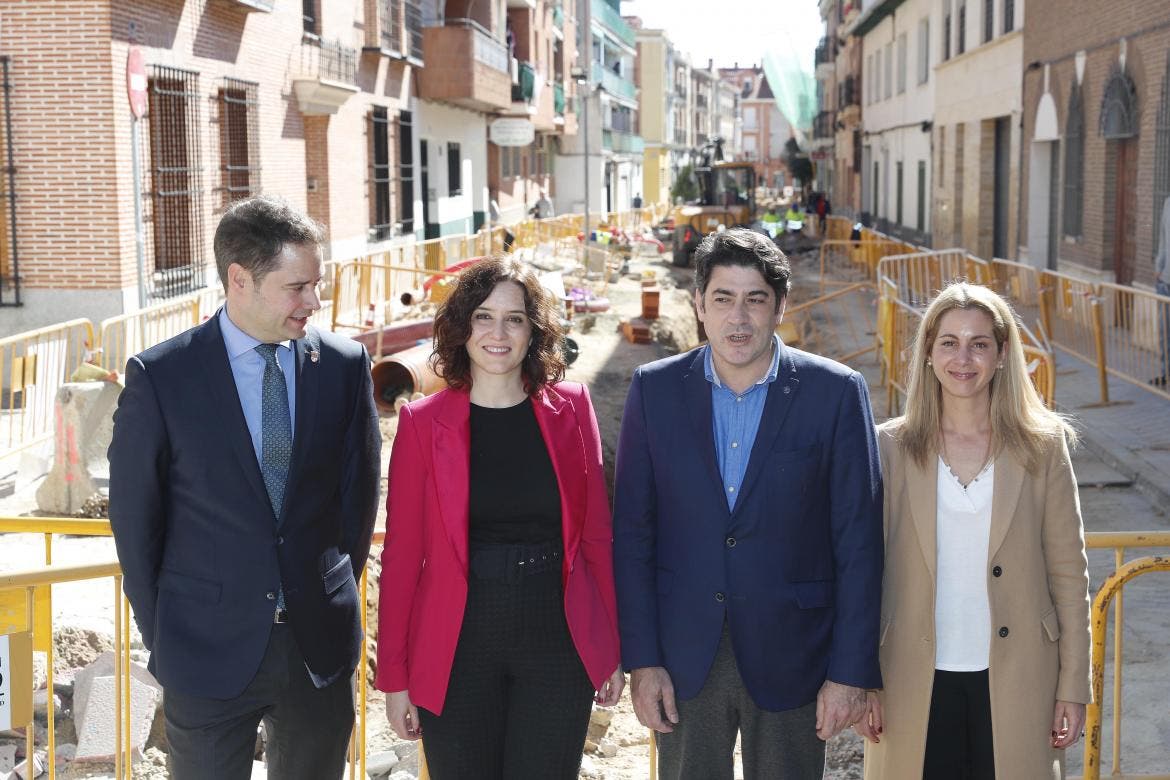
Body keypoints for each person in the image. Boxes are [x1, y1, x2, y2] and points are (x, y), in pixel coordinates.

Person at [108, 196, 381, 779]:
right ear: (239, 279)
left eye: (316, 284)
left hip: (316, 651)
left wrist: (325, 595)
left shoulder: (343, 365)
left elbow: (357, 504)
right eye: (296, 287)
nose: (314, 301)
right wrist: (165, 635)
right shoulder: (162, 377)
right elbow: (135, 523)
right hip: (203, 651)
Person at [612, 227, 884, 779]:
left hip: (795, 653)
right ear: (698, 305)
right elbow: (633, 536)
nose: (738, 318)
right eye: (723, 298)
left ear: (780, 307)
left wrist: (850, 672)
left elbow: (860, 543)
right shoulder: (654, 390)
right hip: (685, 657)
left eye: (755, 299)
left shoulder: (835, 392)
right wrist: (643, 660)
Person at [376, 255, 624, 779]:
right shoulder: (421, 423)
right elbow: (401, 558)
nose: (498, 332)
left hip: (557, 635)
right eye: (483, 316)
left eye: (515, 319)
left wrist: (611, 646)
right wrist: (394, 678)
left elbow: (597, 537)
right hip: (456, 641)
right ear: (461, 327)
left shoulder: (572, 408)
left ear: (534, 331)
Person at [855, 282, 1091, 779]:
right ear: (928, 353)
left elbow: (1070, 576)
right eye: (949, 342)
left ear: (1002, 354)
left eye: (979, 344)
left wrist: (1074, 685)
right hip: (908, 676)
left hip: (1022, 678)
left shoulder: (1043, 447)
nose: (963, 358)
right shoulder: (889, 447)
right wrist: (861, 680)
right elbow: (862, 573)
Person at [1152, 195, 1170, 386]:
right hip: (1165, 282)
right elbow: (1164, 240)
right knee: (1165, 332)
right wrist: (1159, 266)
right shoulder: (1168, 203)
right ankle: (1166, 373)